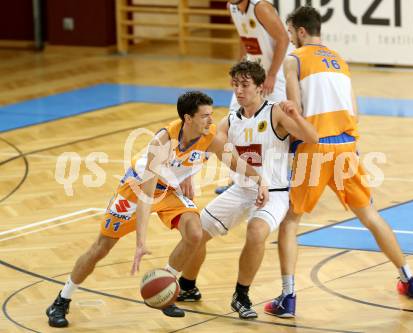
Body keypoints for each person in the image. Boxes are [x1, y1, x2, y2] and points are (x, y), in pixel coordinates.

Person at [46, 91, 269, 327]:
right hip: (137, 189)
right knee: (101, 247)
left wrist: (260, 181)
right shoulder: (162, 143)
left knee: (195, 233)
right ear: (188, 118)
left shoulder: (210, 137)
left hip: (171, 190)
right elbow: (146, 197)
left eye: (211, 115)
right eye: (205, 116)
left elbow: (234, 160)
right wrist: (141, 242)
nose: (211, 120)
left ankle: (166, 286)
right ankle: (62, 299)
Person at [263, 6, 413, 318]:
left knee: (290, 222)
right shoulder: (340, 60)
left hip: (315, 146)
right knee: (371, 216)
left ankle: (288, 297)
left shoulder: (294, 60)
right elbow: (354, 110)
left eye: (290, 32)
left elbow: (295, 109)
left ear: (299, 32)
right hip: (347, 145)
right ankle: (410, 279)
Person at [178, 60, 318, 319]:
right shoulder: (231, 121)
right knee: (195, 232)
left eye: (244, 85)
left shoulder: (276, 112)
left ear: (261, 87)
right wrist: (188, 174)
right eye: (235, 85)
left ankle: (241, 295)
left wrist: (297, 115)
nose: (239, 91)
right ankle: (187, 286)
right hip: (241, 190)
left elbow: (312, 137)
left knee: (256, 231)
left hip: (274, 192)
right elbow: (206, 149)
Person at [215, 0, 290, 195]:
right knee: (234, 123)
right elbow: (244, 38)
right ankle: (236, 178)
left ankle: (288, 176)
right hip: (251, 74)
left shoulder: (260, 7)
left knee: (285, 123)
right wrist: (239, 67)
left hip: (275, 73)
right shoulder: (231, 7)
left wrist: (272, 74)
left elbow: (283, 38)